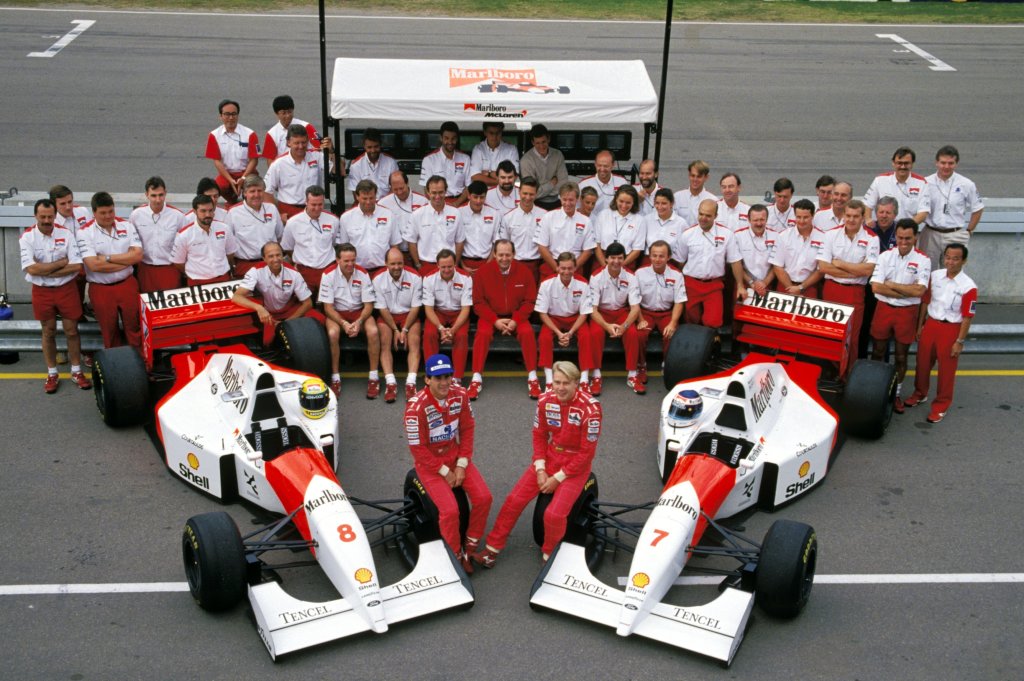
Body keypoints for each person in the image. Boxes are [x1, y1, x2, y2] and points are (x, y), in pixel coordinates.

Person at [473, 361, 601, 567]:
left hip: (575, 468)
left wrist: (557, 478)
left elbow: (587, 453)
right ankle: (491, 551)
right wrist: (540, 468)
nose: (559, 387)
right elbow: (539, 434)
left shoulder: (591, 409)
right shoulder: (544, 400)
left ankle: (549, 558)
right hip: (549, 459)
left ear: (576, 383)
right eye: (556, 382)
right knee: (513, 500)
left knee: (554, 515)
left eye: (565, 383)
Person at [406, 353, 492, 574]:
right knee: (451, 512)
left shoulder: (461, 395)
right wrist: (445, 471)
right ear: (427, 379)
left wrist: (462, 464)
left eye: (447, 376)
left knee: (484, 498)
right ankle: (453, 555)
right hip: (430, 467)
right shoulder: (415, 408)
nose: (444, 382)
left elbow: (467, 430)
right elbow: (418, 450)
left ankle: (470, 548)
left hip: (456, 457)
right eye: (438, 378)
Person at [19, 199, 90, 393]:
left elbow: (76, 265)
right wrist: (60, 264)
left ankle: (76, 371)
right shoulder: (27, 237)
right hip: (42, 291)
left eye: (50, 216)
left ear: (54, 215)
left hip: (66, 289)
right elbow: (31, 269)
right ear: (35, 216)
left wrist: (45, 270)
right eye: (42, 216)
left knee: (72, 330)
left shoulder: (65, 234)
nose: (46, 220)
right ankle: (52, 373)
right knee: (48, 331)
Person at [905, 243, 976, 424]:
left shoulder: (968, 286)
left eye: (955, 258)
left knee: (946, 370)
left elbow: (967, 317)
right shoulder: (935, 276)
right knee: (922, 363)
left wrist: (959, 341)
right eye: (948, 257)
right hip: (931, 325)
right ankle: (920, 393)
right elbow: (925, 303)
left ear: (964, 261)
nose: (950, 262)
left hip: (951, 329)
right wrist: (920, 325)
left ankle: (941, 405)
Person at [869, 219, 931, 413]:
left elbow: (919, 291)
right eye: (900, 237)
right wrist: (905, 290)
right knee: (878, 352)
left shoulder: (924, 260)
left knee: (901, 357)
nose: (903, 242)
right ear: (895, 236)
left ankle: (895, 394)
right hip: (884, 308)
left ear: (915, 237)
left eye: (908, 238)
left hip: (907, 313)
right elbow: (876, 287)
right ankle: (876, 391)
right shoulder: (885, 256)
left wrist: (892, 285)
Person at [469, 239, 539, 399]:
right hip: (491, 317)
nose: (504, 258)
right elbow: (478, 303)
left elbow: (530, 301)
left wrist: (516, 319)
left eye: (508, 254)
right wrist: (495, 321)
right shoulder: (482, 273)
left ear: (514, 254)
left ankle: (533, 377)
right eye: (500, 255)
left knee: (527, 333)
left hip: (517, 316)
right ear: (494, 254)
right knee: (482, 334)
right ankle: (476, 378)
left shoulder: (524, 272)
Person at [78, 191, 144, 351]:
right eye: (103, 213)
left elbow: (137, 256)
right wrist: (125, 260)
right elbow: (93, 265)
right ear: (94, 213)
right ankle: (117, 369)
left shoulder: (126, 225)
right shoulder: (84, 232)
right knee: (110, 332)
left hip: (127, 285)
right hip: (101, 289)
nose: (108, 216)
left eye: (111, 211)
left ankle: (140, 365)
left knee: (135, 330)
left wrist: (107, 258)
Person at [816, 199, 880, 360]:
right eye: (849, 215)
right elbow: (823, 267)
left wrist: (840, 264)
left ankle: (848, 375)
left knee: (852, 337)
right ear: (843, 215)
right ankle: (829, 373)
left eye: (856, 216)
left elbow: (868, 269)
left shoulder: (872, 238)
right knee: (829, 334)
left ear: (863, 217)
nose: (851, 220)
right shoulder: (830, 235)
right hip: (832, 289)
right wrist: (855, 270)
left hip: (855, 292)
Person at [318, 242, 381, 398]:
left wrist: (359, 322)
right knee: (332, 333)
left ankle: (373, 377)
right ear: (337, 260)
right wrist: (344, 323)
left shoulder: (363, 273)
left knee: (373, 331)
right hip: (337, 313)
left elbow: (369, 305)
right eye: (346, 261)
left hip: (360, 312)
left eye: (353, 260)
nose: (350, 264)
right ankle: (335, 378)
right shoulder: (327, 274)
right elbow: (328, 308)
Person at [232, 241, 318, 345]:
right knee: (268, 341)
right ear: (264, 258)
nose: (276, 259)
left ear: (283, 255)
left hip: (290, 310)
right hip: (269, 314)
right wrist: (259, 308)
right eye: (271, 256)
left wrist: (286, 322)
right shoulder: (255, 271)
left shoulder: (294, 273)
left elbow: (308, 303)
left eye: (278, 255)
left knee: (319, 319)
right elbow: (237, 297)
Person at [675, 199, 743, 329]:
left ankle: (710, 345)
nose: (703, 218)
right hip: (691, 284)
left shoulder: (727, 235)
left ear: (716, 216)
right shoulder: (687, 235)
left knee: (713, 322)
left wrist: (740, 285)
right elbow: (680, 262)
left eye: (708, 215)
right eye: (701, 214)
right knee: (691, 320)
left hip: (714, 285)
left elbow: (735, 261)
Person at [589, 242, 642, 395]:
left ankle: (632, 375)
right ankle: (596, 375)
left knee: (632, 333)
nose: (616, 262)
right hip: (601, 313)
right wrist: (606, 326)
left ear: (624, 259)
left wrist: (624, 326)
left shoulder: (631, 277)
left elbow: (635, 308)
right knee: (596, 333)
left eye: (620, 258)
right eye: (612, 258)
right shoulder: (596, 277)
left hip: (621, 313)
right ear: (606, 259)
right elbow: (592, 310)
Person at [535, 252, 594, 391]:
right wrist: (559, 333)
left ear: (575, 268)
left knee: (586, 336)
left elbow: (584, 313)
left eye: (569, 268)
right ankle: (549, 381)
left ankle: (584, 379)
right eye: (563, 268)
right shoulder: (546, 284)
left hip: (575, 319)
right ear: (557, 268)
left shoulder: (583, 284)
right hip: (553, 319)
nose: (566, 272)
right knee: (544, 338)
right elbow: (542, 313)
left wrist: (571, 332)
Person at [920, 145, 985, 270]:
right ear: (936, 163)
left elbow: (978, 208)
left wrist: (969, 231)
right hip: (930, 234)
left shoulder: (966, 184)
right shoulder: (925, 182)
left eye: (951, 163)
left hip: (955, 234)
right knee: (926, 272)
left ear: (956, 164)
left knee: (952, 273)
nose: (946, 166)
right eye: (943, 163)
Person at [372, 247, 423, 401]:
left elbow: (416, 307)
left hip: (409, 315)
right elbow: (382, 308)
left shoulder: (415, 277)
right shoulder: (377, 278)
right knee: (385, 341)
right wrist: (395, 329)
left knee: (414, 340)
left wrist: (405, 329)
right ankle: (390, 382)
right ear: (386, 263)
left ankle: (411, 383)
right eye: (393, 263)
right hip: (388, 315)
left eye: (400, 263)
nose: (396, 267)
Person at [634, 240, 687, 385]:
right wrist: (639, 319)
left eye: (661, 256)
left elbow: (679, 301)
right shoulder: (640, 273)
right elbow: (634, 300)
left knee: (671, 333)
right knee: (639, 334)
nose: (657, 259)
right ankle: (641, 366)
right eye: (654, 255)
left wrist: (673, 322)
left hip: (667, 313)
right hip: (645, 312)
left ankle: (667, 365)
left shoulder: (676, 275)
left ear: (668, 257)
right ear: (649, 256)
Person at [421, 249, 472, 384]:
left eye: (450, 266)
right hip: (438, 313)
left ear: (455, 264)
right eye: (443, 267)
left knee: (461, 336)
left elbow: (466, 308)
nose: (447, 270)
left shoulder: (466, 278)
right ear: (437, 265)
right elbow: (429, 309)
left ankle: (457, 377)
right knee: (429, 334)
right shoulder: (428, 279)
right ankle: (431, 374)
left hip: (458, 313)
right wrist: (440, 328)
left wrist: (453, 330)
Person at [280, 185, 340, 297]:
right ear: (306, 202)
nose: (317, 208)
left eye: (320, 204)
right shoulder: (293, 222)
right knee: (306, 306)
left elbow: (334, 244)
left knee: (329, 305)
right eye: (313, 204)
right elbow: (287, 247)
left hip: (328, 271)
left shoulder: (333, 220)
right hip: (304, 273)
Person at [130, 176, 187, 292]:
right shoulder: (136, 215)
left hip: (170, 270)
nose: (158, 200)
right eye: (153, 195)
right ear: (146, 194)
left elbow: (186, 245)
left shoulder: (178, 216)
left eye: (161, 195)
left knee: (170, 308)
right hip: (145, 270)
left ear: (165, 193)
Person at [338, 179, 402, 274]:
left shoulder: (388, 214)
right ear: (357, 197)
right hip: (356, 271)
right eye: (364, 198)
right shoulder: (346, 218)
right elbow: (343, 247)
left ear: (376, 196)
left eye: (371, 198)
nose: (368, 202)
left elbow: (395, 245)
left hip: (383, 270)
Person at [172, 194, 237, 286]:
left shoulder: (224, 228)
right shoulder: (183, 235)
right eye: (203, 211)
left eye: (210, 210)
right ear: (194, 211)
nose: (208, 214)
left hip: (223, 280)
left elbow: (230, 253)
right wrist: (194, 273)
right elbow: (178, 262)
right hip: (197, 283)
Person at [226, 175, 284, 278]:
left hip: (270, 264)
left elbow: (280, 236)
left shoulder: (272, 209)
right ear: (244, 193)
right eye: (252, 191)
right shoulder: (233, 213)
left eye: (260, 191)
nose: (256, 195)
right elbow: (227, 244)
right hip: (245, 266)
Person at [406, 176, 465, 275]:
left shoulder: (456, 213)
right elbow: (411, 241)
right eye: (434, 192)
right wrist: (418, 265)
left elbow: (460, 241)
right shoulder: (417, 214)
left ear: (446, 191)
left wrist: (455, 264)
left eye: (441, 192)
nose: (437, 196)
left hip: (449, 267)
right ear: (428, 193)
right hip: (426, 266)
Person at [535, 182, 595, 278]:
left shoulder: (586, 221)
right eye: (564, 199)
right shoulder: (548, 217)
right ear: (560, 198)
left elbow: (588, 250)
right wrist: (557, 268)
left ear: (578, 199)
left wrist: (573, 268)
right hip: (552, 266)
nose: (567, 203)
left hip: (576, 268)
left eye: (571, 200)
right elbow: (541, 246)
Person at [264, 124, 324, 220]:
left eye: (303, 142)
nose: (300, 146)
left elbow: (338, 170)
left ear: (308, 141)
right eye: (296, 143)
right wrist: (278, 215)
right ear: (288, 142)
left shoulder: (317, 156)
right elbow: (267, 192)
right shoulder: (278, 164)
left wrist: (332, 151)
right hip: (288, 212)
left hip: (313, 210)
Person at [205, 99, 259, 204]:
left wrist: (243, 178)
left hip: (247, 172)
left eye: (234, 114)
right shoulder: (214, 135)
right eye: (227, 114)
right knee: (220, 187)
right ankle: (232, 201)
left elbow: (254, 160)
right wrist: (230, 180)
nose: (231, 117)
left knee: (255, 186)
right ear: (220, 116)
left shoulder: (250, 134)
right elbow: (217, 161)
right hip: (227, 174)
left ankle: (248, 202)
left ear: (238, 115)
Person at [770, 198, 825, 298]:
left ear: (813, 216)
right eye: (798, 217)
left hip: (809, 288)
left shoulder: (823, 238)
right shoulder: (783, 236)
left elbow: (820, 270)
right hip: (785, 287)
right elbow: (777, 266)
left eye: (805, 217)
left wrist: (801, 288)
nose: (801, 221)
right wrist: (792, 289)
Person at [864, 146, 930, 226]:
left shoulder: (922, 183)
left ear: (912, 164)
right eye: (899, 163)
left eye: (906, 163)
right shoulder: (880, 180)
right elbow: (867, 205)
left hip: (907, 231)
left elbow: (923, 212)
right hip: (883, 230)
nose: (903, 166)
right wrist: (868, 219)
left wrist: (906, 227)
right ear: (893, 163)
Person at [500, 176, 547, 282]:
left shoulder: (545, 216)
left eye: (531, 194)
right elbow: (504, 245)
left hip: (537, 265)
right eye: (525, 193)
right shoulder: (508, 217)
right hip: (514, 265)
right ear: (519, 192)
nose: (527, 197)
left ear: (537, 193)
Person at [378, 170, 427, 266]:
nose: (399, 192)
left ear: (407, 183)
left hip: (418, 253)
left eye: (401, 188)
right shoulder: (383, 204)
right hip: (395, 254)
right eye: (395, 189)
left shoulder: (422, 201)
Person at [593, 184, 645, 269]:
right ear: (616, 199)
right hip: (602, 261)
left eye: (628, 202)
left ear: (634, 202)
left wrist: (619, 266)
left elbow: (637, 250)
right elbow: (596, 244)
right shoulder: (603, 215)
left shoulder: (640, 220)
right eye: (621, 201)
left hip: (627, 262)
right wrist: (605, 267)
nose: (624, 206)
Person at [420, 121, 470, 206]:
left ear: (457, 139)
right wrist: (442, 206)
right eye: (446, 138)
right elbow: (426, 189)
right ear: (441, 138)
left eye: (453, 138)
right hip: (438, 203)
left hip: (461, 203)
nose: (450, 142)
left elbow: (469, 186)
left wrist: (456, 204)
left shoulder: (465, 159)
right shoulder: (429, 160)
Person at [458, 180, 502, 274]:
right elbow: (455, 242)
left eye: (482, 197)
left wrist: (487, 265)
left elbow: (496, 243)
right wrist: (462, 265)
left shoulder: (494, 214)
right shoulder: (459, 213)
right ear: (469, 195)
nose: (478, 201)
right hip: (464, 263)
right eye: (475, 197)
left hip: (488, 263)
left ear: (486, 196)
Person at [518, 124, 567, 210]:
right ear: (533, 142)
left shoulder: (558, 155)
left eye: (543, 142)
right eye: (537, 143)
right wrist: (551, 184)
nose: (541, 146)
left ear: (549, 139)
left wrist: (541, 189)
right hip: (535, 204)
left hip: (557, 201)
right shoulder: (526, 160)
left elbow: (563, 183)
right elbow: (530, 192)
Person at [733, 204, 777, 298]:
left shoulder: (776, 236)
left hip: (768, 286)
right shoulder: (737, 236)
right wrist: (751, 282)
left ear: (767, 219)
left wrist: (764, 283)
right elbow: (737, 264)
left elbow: (777, 264)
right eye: (755, 220)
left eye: (762, 219)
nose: (759, 223)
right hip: (745, 285)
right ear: (749, 220)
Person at [262, 94, 321, 163]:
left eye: (290, 112)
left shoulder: (306, 126)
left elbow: (319, 148)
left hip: (307, 165)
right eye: (283, 113)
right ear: (276, 113)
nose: (287, 116)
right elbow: (270, 160)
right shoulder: (272, 134)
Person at [346, 127, 398, 199]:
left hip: (387, 204)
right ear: (364, 146)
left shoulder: (391, 162)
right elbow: (356, 194)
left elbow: (396, 188)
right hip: (365, 204)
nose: (373, 150)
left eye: (376, 146)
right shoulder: (355, 165)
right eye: (369, 147)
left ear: (380, 144)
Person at [642, 188, 686, 264]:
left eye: (664, 203)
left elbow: (681, 252)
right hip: (648, 261)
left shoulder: (681, 223)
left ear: (672, 204)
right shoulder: (646, 220)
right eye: (657, 203)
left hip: (670, 262)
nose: (660, 207)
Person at [470, 121, 519, 187]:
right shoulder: (478, 149)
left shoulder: (511, 149)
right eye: (491, 133)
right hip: (483, 194)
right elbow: (475, 176)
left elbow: (515, 175)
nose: (494, 136)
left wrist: (488, 173)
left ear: (501, 132)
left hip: (504, 193)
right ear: (485, 132)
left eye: (497, 133)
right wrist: (502, 182)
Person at [578, 149, 626, 216]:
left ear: (613, 165)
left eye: (606, 166)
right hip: (592, 224)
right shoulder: (584, 184)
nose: (602, 169)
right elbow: (577, 209)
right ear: (595, 164)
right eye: (599, 165)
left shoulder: (622, 182)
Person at [673, 160, 717, 226]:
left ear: (706, 177)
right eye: (692, 175)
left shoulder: (713, 200)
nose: (695, 179)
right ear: (689, 175)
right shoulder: (677, 197)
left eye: (699, 176)